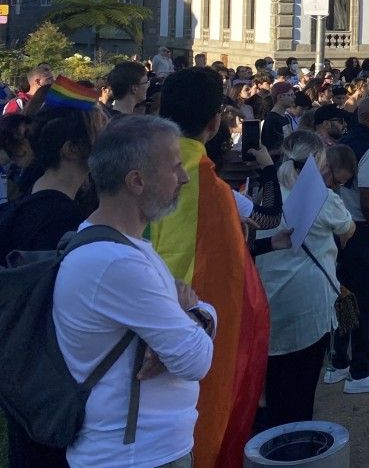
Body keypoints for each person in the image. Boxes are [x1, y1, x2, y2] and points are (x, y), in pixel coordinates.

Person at [55, 114, 215, 467]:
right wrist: (191, 314)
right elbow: (195, 360)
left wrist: (184, 317)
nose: (184, 177)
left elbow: (187, 333)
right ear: (137, 181)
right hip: (136, 457)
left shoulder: (122, 247)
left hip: (144, 449)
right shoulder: (115, 263)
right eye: (174, 168)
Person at [148, 68, 269, 468]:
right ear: (216, 123)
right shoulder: (210, 191)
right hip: (175, 354)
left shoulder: (131, 167)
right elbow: (231, 295)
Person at [0, 89, 107, 468]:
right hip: (52, 388)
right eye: (98, 135)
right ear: (71, 149)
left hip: (24, 382)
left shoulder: (26, 205)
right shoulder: (59, 223)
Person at [254, 131, 355, 430]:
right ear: (319, 164)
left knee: (271, 388)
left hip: (267, 300)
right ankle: (293, 451)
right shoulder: (322, 198)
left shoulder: (263, 194)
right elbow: (348, 229)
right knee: (300, 393)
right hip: (308, 307)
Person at [327, 96, 369, 393]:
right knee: (368, 303)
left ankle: (340, 361)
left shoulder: (345, 142)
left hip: (344, 229)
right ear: (367, 117)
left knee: (345, 297)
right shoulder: (368, 149)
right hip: (365, 230)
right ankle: (361, 370)